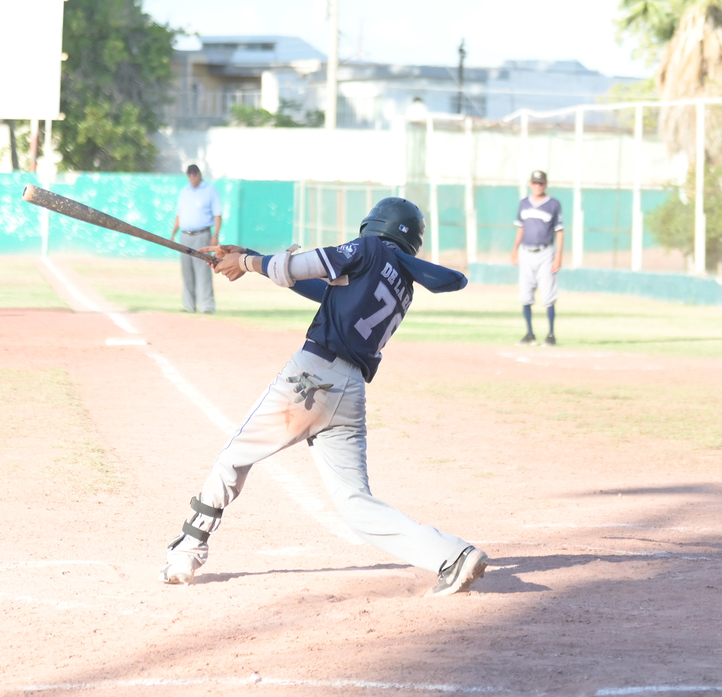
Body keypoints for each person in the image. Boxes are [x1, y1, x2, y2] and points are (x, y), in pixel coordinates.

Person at [158, 197, 489, 597]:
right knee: (356, 505)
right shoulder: (400, 282)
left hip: (311, 379)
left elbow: (296, 268)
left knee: (234, 458)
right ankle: (453, 555)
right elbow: (321, 289)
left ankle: (188, 549)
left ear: (374, 225)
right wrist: (251, 256)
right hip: (349, 394)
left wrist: (246, 265)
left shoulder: (366, 250)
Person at [510, 169, 563, 346]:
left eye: (541, 183)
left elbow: (559, 231)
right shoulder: (524, 203)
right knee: (525, 294)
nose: (537, 186)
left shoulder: (553, 204)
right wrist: (514, 249)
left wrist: (559, 257)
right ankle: (530, 334)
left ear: (545, 184)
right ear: (530, 184)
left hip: (546, 253)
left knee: (548, 294)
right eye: (534, 182)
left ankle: (551, 335)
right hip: (526, 252)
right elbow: (520, 228)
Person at [169, 164, 222, 314]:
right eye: (190, 175)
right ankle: (189, 305)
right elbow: (179, 215)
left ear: (199, 175)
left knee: (203, 271)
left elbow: (218, 215)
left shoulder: (209, 190)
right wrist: (173, 234)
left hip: (202, 235)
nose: (192, 177)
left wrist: (215, 235)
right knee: (187, 271)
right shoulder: (184, 192)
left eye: (195, 175)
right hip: (185, 235)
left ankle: (207, 306)